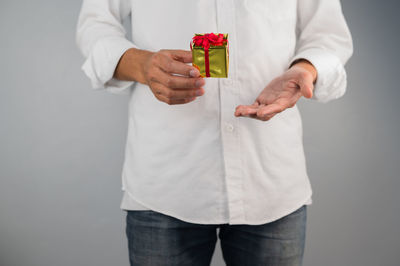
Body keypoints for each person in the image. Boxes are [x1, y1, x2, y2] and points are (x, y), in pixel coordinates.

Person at [76, 0, 353, 265]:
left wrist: (306, 68)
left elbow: (328, 35)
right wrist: (142, 64)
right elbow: (95, 24)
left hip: (270, 180)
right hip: (166, 182)